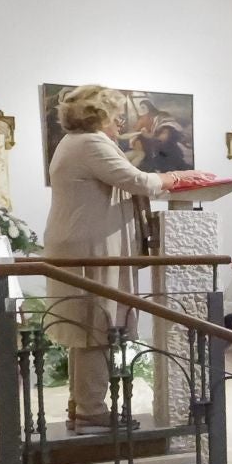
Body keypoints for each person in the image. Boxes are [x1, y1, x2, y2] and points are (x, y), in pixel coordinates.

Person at [42, 84, 193, 432]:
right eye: (116, 114)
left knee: (90, 327)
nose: (121, 120)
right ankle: (91, 410)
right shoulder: (90, 143)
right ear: (98, 115)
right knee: (95, 325)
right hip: (88, 247)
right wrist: (174, 177)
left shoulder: (77, 143)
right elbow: (135, 179)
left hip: (85, 242)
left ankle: (84, 405)